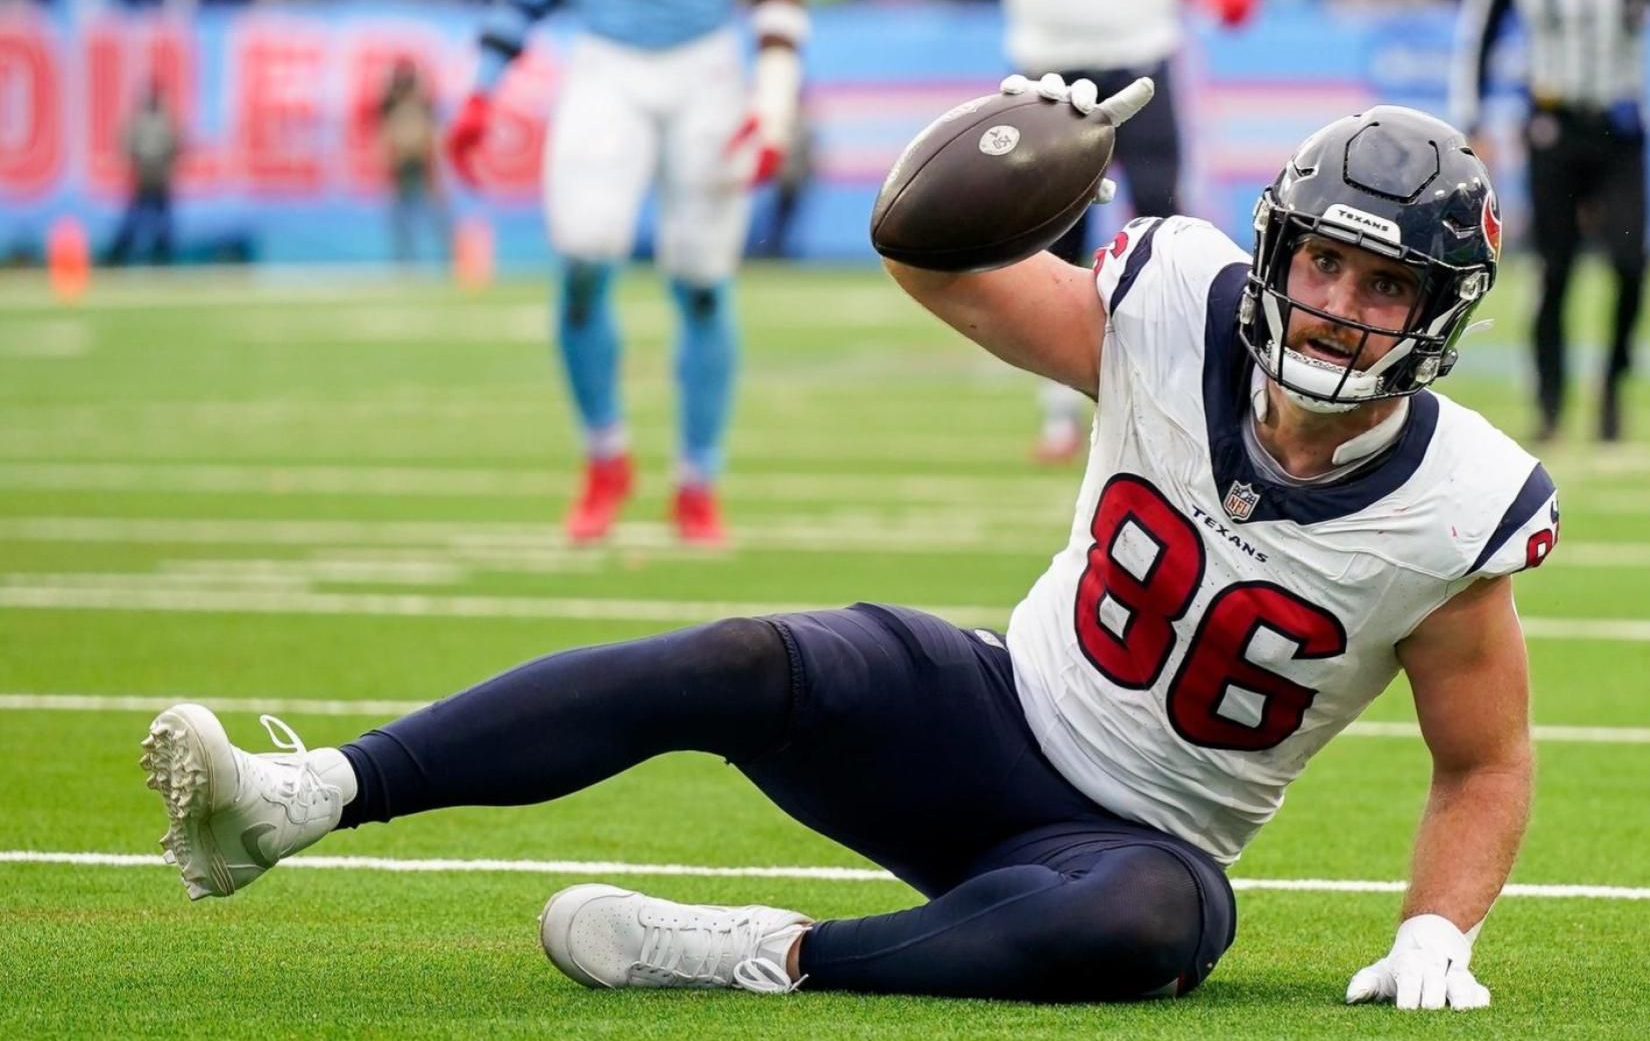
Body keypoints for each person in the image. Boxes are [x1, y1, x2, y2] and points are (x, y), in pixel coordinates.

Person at [140, 80, 1556, 1010]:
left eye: (1387, 283)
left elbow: (1482, 758)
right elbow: (928, 257)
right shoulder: (1174, 302)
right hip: (987, 712)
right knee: (751, 656)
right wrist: (1003, 143)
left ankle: (759, 953)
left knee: (1156, 928)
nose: (1340, 305)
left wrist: (1439, 927)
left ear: (1443, 310)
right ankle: (303, 797)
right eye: (1325, 262)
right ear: (1277, 251)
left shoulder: (1456, 502)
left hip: (1136, 843)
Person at [444, 0, 807, 544]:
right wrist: (483, 83)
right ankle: (604, 455)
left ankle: (698, 480)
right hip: (605, 63)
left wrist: (776, 101)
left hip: (707, 68)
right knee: (583, 253)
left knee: (703, 280)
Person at [1003, 0, 1262, 463]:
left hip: (1140, 49)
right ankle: (1059, 412)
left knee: (1168, 229)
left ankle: (1198, 395)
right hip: (1048, 56)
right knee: (1054, 238)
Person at [1451, 0, 1650, 444]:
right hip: (1553, 125)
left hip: (1621, 127)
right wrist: (1474, 120)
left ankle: (1613, 385)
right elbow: (1479, 31)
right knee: (1554, 270)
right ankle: (1551, 404)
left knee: (1632, 262)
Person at [375, 58, 450, 266]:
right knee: (401, 215)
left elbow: (433, 134)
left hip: (422, 162)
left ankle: (446, 258)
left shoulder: (423, 105)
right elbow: (385, 135)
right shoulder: (390, 105)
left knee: (436, 213)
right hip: (401, 164)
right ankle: (405, 261)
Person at [105, 81, 180, 267]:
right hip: (145, 175)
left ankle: (160, 254)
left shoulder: (165, 119)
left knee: (160, 221)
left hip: (158, 176)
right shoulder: (146, 120)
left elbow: (177, 145)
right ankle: (120, 254)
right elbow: (127, 143)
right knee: (135, 218)